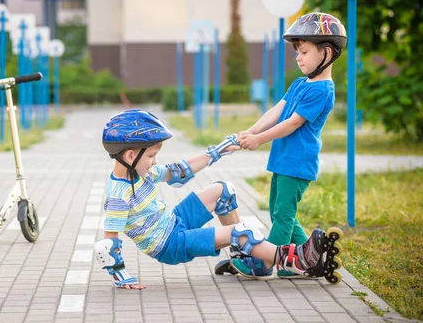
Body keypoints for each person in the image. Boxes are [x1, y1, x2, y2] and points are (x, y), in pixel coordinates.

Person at [96, 109, 342, 289]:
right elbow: (109, 243)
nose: (155, 161)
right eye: (151, 155)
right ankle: (293, 260)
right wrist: (121, 277)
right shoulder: (118, 196)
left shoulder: (143, 172)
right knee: (241, 232)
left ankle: (247, 259)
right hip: (169, 245)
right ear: (130, 155)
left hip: (173, 223)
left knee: (223, 190)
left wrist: (218, 150)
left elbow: (180, 171)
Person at [223, 12, 347, 280]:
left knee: (282, 216)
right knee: (282, 212)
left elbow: (292, 123)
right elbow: (278, 110)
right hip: (283, 159)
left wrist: (259, 140)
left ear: (326, 53)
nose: (298, 57)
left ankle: (264, 262)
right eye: (297, 52)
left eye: (303, 51)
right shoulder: (301, 83)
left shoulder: (322, 90)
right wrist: (252, 130)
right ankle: (307, 260)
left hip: (298, 162)